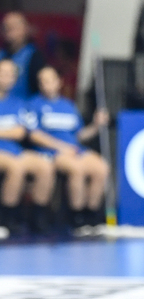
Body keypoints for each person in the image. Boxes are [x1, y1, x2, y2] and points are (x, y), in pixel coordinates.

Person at [28, 67, 110, 219]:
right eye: (43, 81)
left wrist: (96, 125)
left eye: (51, 80)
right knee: (77, 169)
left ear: (59, 82)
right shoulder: (34, 104)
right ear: (39, 85)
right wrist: (62, 147)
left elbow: (79, 135)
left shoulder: (68, 106)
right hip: (52, 152)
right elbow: (34, 135)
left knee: (101, 168)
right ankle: (77, 216)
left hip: (75, 149)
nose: (47, 84)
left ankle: (92, 214)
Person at [0, 58, 54, 234]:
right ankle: (6, 219)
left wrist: (11, 132)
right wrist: (11, 131)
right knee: (16, 167)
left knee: (45, 166)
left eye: (10, 74)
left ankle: (38, 218)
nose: (6, 77)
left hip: (15, 150)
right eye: (3, 72)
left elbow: (21, 132)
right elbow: (15, 131)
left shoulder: (18, 103)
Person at [0, 12, 46, 100]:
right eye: (6, 28)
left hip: (25, 108)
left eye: (13, 28)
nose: (9, 32)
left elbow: (41, 88)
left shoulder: (34, 56)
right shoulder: (1, 54)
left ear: (24, 30)